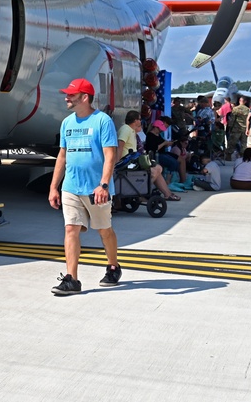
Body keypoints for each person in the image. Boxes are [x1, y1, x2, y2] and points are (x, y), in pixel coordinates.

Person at [48, 78, 120, 296]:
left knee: (104, 230)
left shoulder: (102, 121)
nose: (66, 98)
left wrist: (103, 185)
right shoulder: (67, 123)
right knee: (71, 229)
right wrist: (54, 187)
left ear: (85, 97)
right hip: (71, 187)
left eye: (71, 94)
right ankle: (72, 279)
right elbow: (62, 156)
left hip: (96, 190)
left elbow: (110, 156)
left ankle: (113, 267)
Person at [116, 111, 179, 201]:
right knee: (157, 169)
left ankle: (167, 194)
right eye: (139, 119)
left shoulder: (132, 131)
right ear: (135, 120)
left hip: (132, 162)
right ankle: (139, 191)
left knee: (157, 168)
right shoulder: (126, 129)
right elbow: (120, 146)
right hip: (127, 163)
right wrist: (117, 164)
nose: (141, 122)